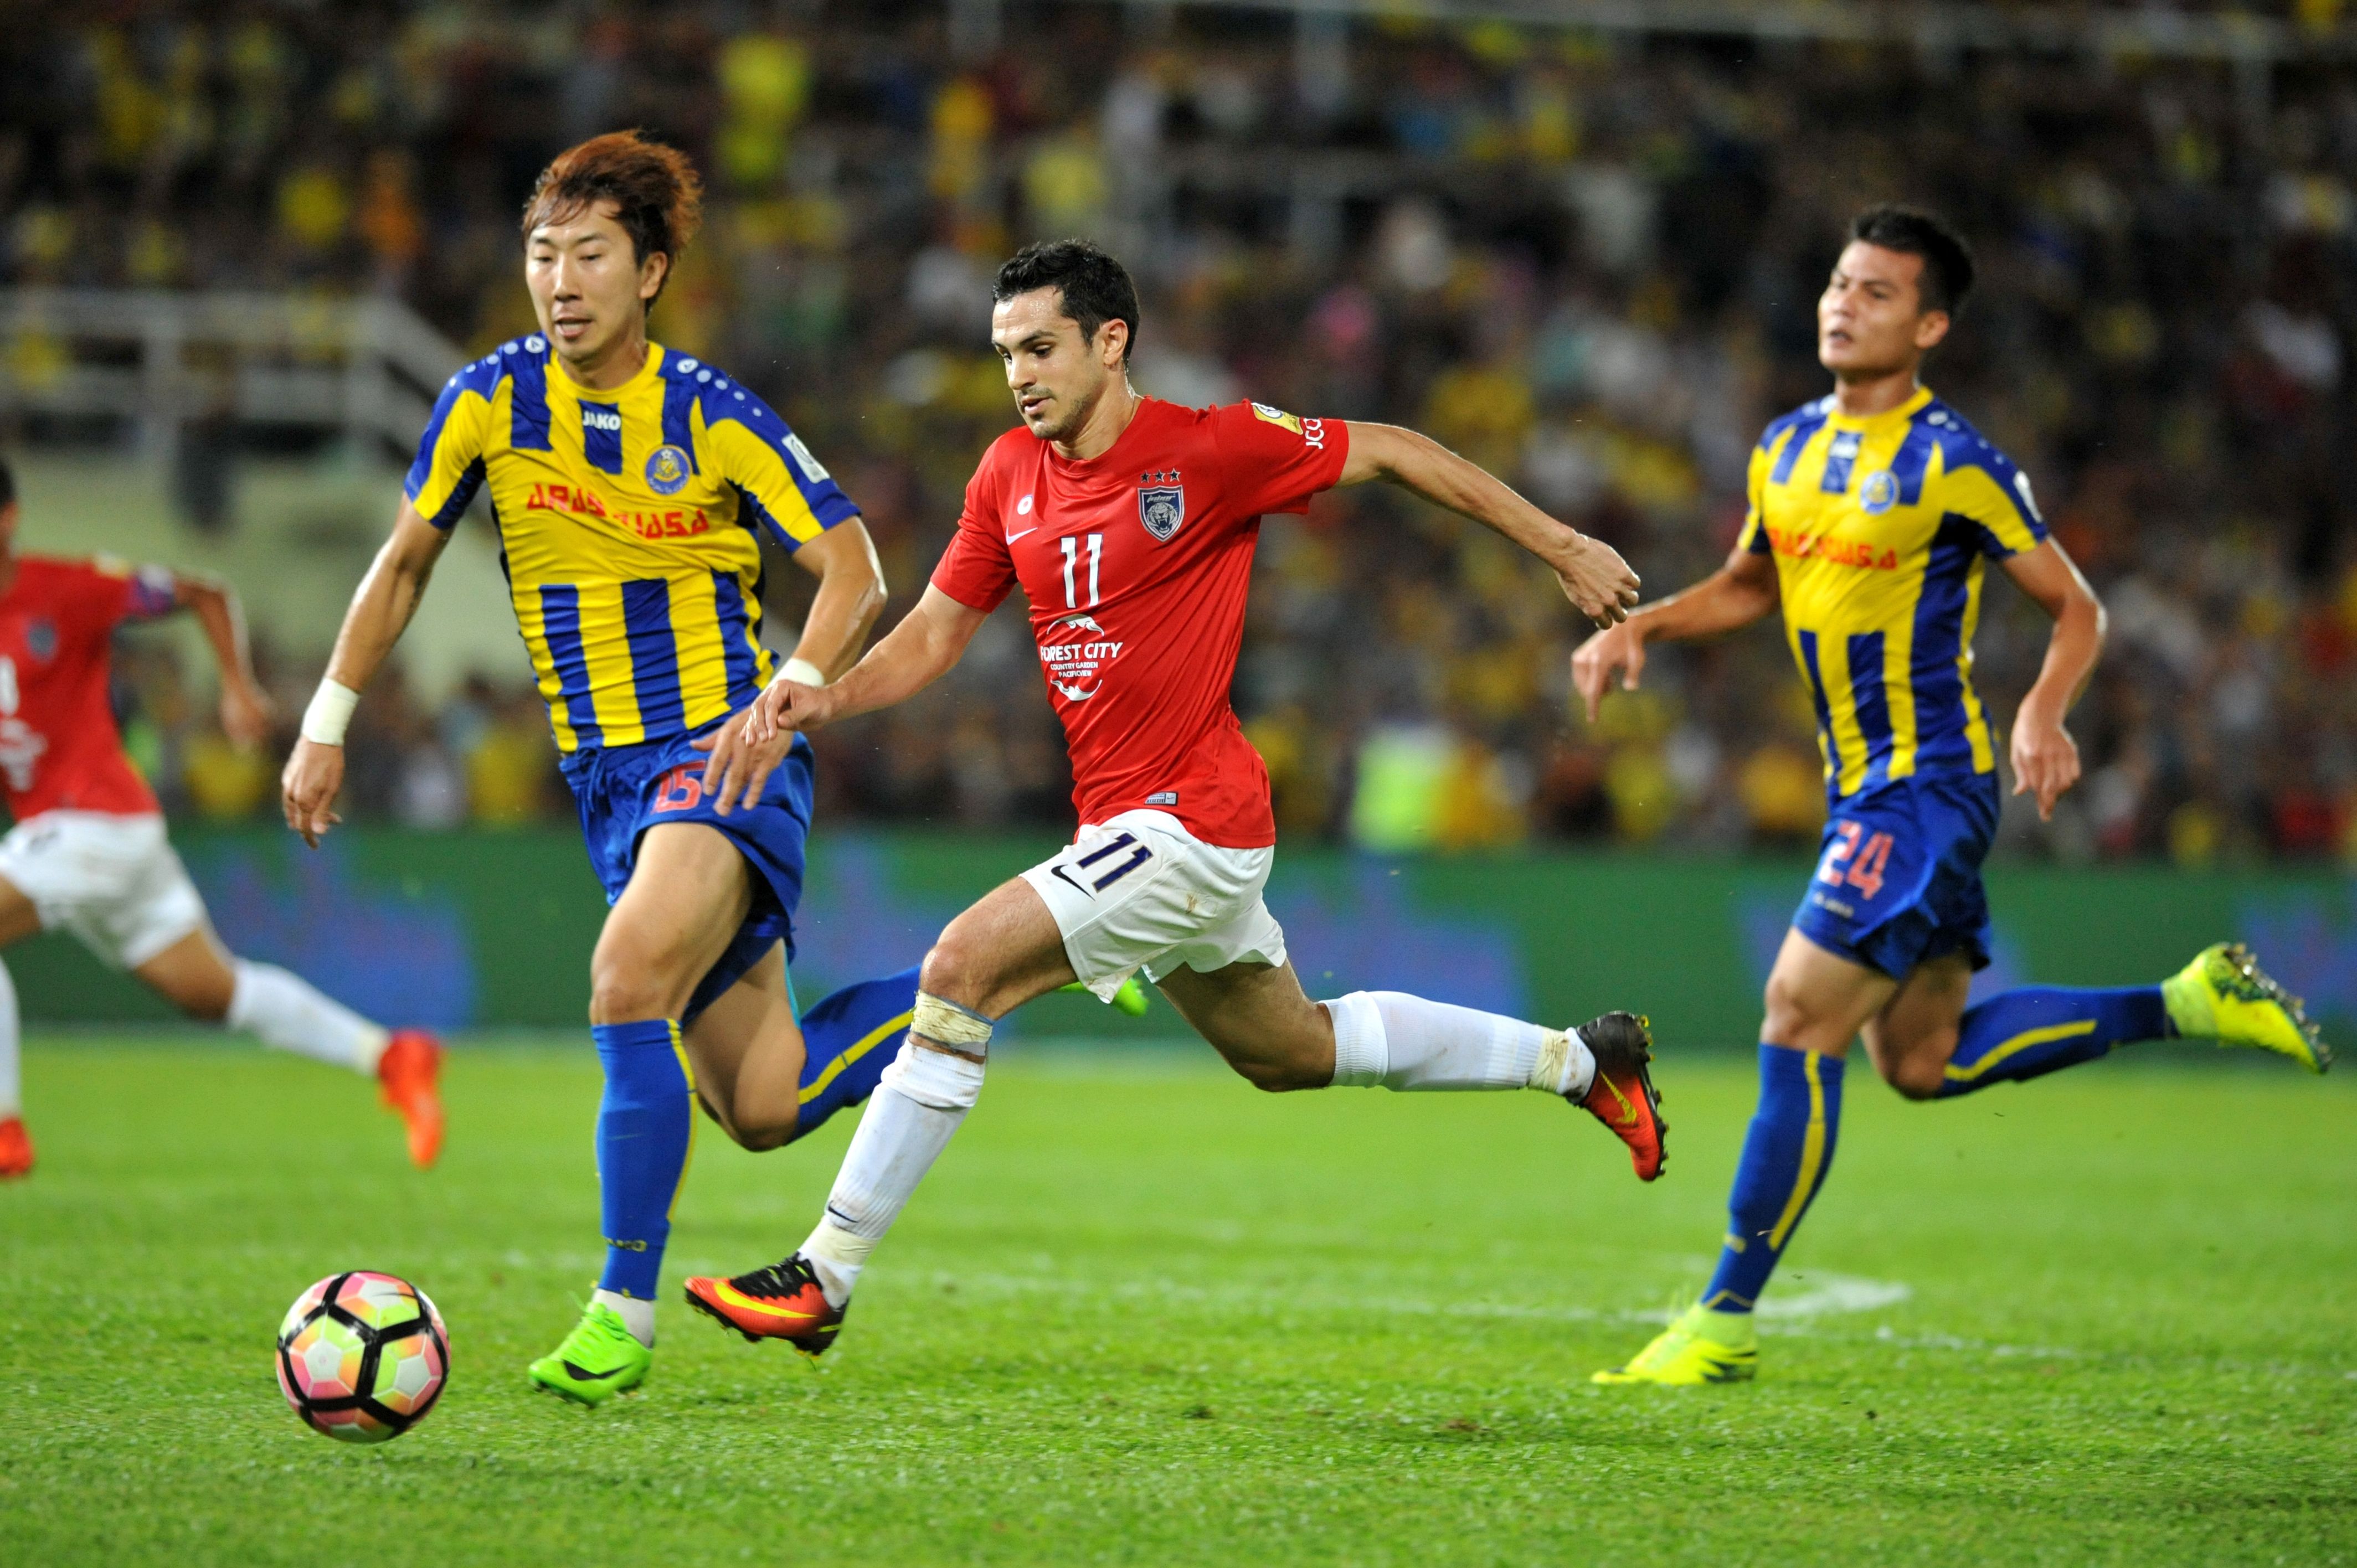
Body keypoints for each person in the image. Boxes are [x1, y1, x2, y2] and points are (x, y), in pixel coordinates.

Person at [672, 238, 1671, 1357]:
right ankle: (1585, 1062)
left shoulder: (1209, 450)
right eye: (1006, 352)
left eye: (1041, 348)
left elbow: (1387, 449)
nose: (1020, 374)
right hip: (1133, 827)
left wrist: (1560, 543)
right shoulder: (1007, 473)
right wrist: (829, 697)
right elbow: (941, 631)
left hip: (1192, 818)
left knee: (959, 969)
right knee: (1287, 1049)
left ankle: (824, 1275)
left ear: (1112, 343)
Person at [1572, 207, 2330, 1386]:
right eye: (1837, 282)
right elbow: (1748, 584)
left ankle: (1720, 1318)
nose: (1842, 303)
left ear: (1928, 326)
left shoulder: (1955, 461)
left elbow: (2077, 605)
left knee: (1794, 1016)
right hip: (1862, 795)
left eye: (1876, 292)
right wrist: (1646, 626)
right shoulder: (1782, 448)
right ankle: (2187, 1001)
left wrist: (2041, 709)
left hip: (1924, 790)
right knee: (1917, 1064)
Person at [282, 132, 943, 1405]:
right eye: (541, 255)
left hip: (721, 754)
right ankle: (1013, 963)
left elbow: (853, 563)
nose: (560, 279)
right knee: (761, 1101)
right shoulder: (485, 399)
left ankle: (619, 1312)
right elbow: (406, 558)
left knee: (623, 975)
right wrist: (327, 717)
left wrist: (800, 681)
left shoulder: (710, 412)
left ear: (648, 273)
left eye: (589, 255)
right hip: (605, 787)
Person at [0, 456, 441, 1180]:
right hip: (95, 837)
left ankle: (5, 1131)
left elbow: (205, 592)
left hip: (92, 822)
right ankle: (391, 1056)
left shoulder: (71, 587)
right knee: (214, 992)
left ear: (8, 522)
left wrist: (238, 688)